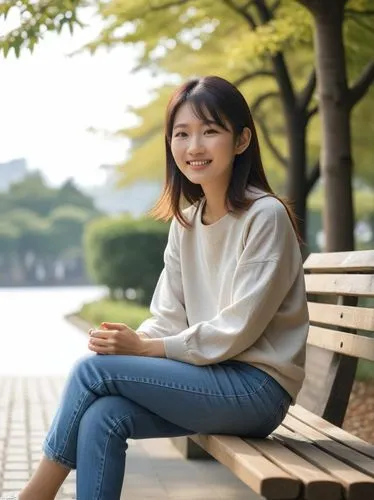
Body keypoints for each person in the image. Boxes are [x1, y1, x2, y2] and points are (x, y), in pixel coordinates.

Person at [9, 75, 309, 500]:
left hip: (256, 389)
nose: (194, 147)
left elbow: (239, 327)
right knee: (103, 415)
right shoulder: (187, 223)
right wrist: (131, 342)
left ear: (241, 140)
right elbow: (167, 315)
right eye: (181, 134)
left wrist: (148, 350)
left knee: (90, 371)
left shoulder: (265, 216)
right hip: (212, 378)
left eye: (210, 131)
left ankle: (34, 495)